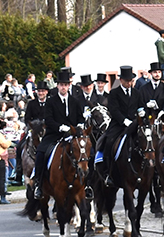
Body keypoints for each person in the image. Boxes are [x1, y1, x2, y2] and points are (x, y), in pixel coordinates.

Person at [32, 68, 88, 200]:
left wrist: (80, 125)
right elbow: (48, 119)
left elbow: (80, 117)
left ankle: (88, 185)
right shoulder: (51, 101)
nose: (63, 87)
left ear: (69, 86)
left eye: (66, 85)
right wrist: (60, 127)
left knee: (86, 152)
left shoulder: (74, 101)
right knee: (41, 153)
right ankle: (39, 184)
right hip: (55, 134)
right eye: (61, 85)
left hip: (73, 135)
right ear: (57, 86)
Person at [96, 66, 146, 187]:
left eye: (131, 81)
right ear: (121, 80)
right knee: (109, 142)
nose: (129, 83)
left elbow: (140, 106)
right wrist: (124, 121)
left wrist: (142, 112)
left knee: (146, 140)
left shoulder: (137, 93)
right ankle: (108, 172)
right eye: (127, 81)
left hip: (134, 124)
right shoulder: (114, 93)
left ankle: (149, 171)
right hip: (118, 124)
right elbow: (114, 110)